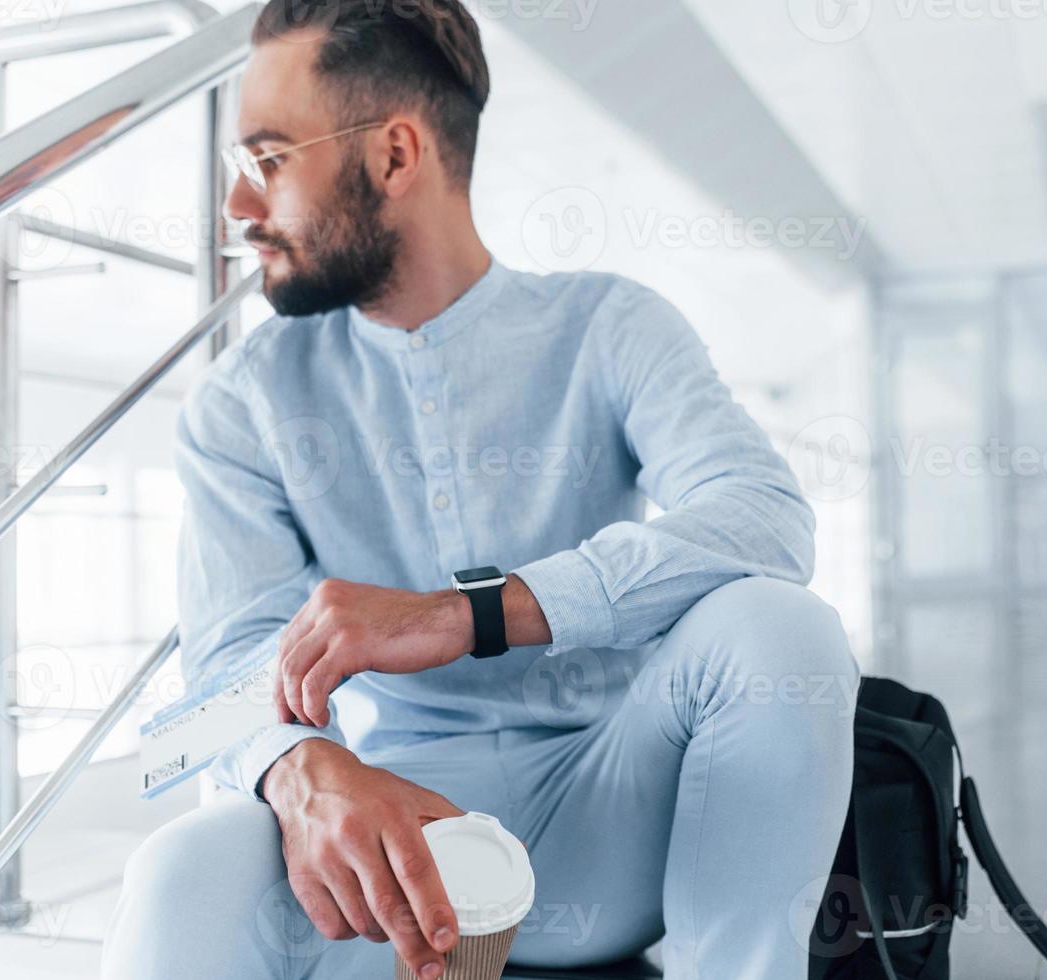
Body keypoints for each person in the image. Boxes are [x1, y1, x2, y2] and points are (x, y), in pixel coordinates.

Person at [100, 2, 858, 977]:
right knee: (178, 868)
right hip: (394, 855)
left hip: (613, 815)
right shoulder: (239, 405)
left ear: (396, 156)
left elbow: (765, 517)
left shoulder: (610, 327)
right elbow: (203, 705)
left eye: (268, 159)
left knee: (780, 624)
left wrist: (468, 614)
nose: (239, 211)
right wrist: (299, 770)